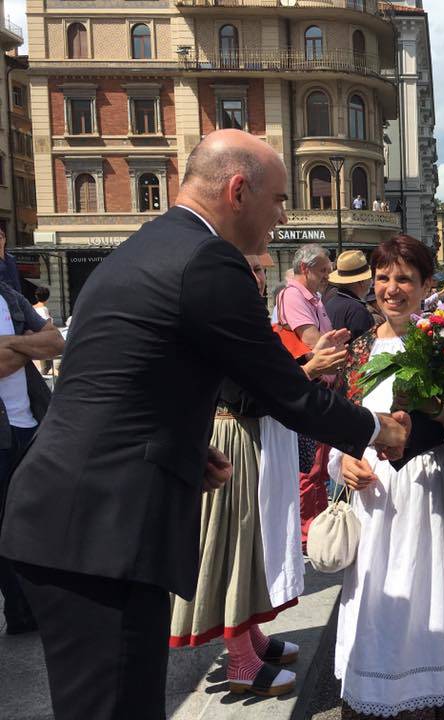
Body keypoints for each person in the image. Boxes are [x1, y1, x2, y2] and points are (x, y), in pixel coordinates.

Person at [0, 129, 410, 720]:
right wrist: (385, 432)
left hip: (72, 511)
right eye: (278, 200)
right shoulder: (208, 260)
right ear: (239, 190)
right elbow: (286, 390)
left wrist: (183, 446)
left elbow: (122, 380)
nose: (282, 215)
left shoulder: (146, 246)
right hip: (97, 526)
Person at [331, 235, 444, 719]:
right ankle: (380, 681)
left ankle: (433, 683)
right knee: (377, 585)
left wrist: (436, 410)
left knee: (427, 583)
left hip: (425, 486)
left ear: (426, 284)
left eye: (404, 278)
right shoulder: (360, 349)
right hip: (373, 490)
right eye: (383, 278)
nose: (392, 288)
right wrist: (344, 459)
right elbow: (343, 418)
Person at [169, 254, 326, 696]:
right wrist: (306, 372)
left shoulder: (246, 312)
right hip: (234, 435)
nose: (257, 277)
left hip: (254, 435)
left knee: (257, 540)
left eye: (260, 269)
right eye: (249, 268)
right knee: (236, 543)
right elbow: (241, 393)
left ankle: (250, 637)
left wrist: (301, 371)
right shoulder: (222, 314)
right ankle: (239, 657)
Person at [0, 280, 63, 635]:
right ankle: (21, 610)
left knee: (36, 520)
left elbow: (55, 342)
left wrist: (11, 345)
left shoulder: (9, 295)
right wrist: (28, 346)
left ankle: (37, 605)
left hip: (31, 424)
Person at [275, 243, 346, 542]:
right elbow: (312, 341)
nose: (327, 277)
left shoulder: (313, 298)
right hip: (309, 384)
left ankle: (314, 526)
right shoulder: (293, 295)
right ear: (305, 269)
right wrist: (334, 351)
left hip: (321, 384)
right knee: (311, 465)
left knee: (318, 467)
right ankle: (307, 532)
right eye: (322, 271)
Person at [325, 250, 374, 342]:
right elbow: (366, 348)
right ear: (361, 282)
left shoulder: (330, 303)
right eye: (369, 278)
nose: (371, 282)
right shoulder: (357, 310)